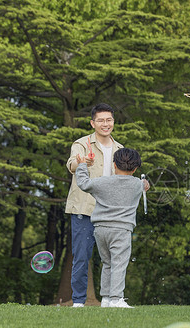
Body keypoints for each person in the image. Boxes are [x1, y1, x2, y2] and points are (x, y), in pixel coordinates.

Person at [65, 103, 123, 307]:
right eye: (101, 120)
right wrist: (82, 162)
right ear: (93, 123)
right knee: (81, 257)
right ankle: (79, 302)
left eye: (109, 120)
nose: (105, 124)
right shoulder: (81, 144)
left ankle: (110, 298)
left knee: (113, 257)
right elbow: (72, 164)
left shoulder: (119, 149)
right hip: (84, 209)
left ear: (113, 122)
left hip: (111, 211)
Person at [76, 148, 149, 308]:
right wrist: (145, 184)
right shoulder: (137, 184)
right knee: (119, 263)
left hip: (100, 229)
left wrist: (82, 165)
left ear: (114, 164)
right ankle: (116, 299)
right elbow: (144, 185)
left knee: (107, 263)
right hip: (121, 230)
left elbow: (83, 183)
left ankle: (107, 299)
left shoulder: (102, 182)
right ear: (135, 168)